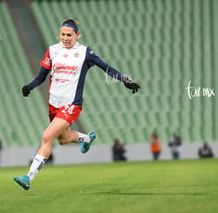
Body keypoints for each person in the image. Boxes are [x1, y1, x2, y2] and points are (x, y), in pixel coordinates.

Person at [13, 19, 140, 190]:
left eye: (69, 35)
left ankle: (28, 177)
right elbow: (41, 76)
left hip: (72, 104)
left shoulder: (84, 52)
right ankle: (87, 138)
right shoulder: (52, 51)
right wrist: (30, 86)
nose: (65, 38)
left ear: (77, 35)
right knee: (63, 140)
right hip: (54, 105)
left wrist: (125, 80)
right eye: (63, 34)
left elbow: (106, 67)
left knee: (46, 137)